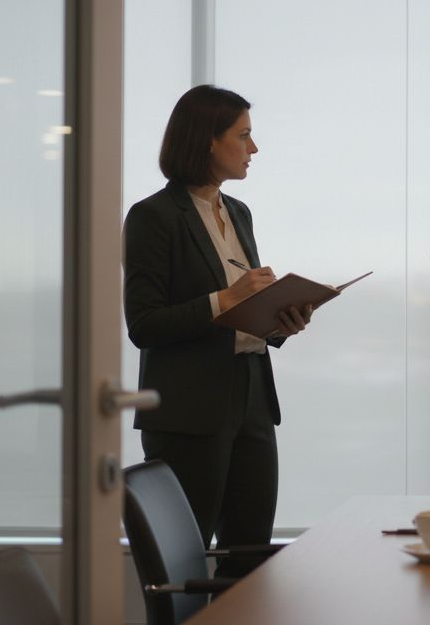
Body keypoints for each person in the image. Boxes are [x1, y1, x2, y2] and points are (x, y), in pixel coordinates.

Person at [123, 85, 313, 578]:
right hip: (189, 412)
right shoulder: (152, 217)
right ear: (208, 140)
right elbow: (143, 324)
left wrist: (280, 321)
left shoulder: (239, 212)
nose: (254, 148)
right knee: (181, 566)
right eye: (244, 135)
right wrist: (222, 299)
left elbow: (243, 314)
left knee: (248, 560)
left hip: (252, 399)